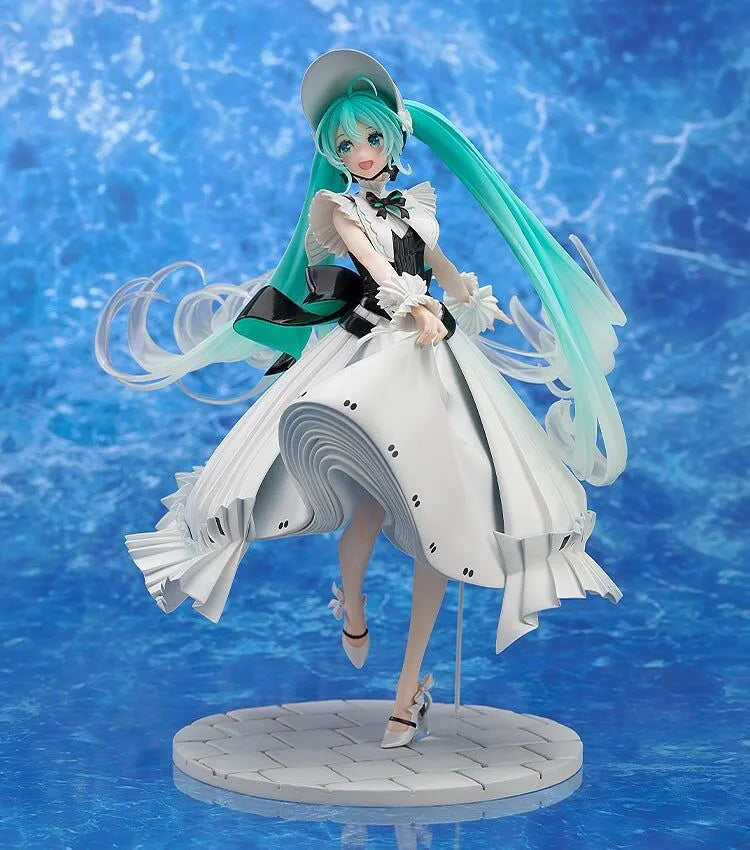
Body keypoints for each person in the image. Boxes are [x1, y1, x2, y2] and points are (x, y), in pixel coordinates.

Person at [96, 49, 627, 749]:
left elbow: (437, 264)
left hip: (439, 358)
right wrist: (417, 307)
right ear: (332, 154)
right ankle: (350, 603)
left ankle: (409, 692)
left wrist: (464, 298)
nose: (362, 154)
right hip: (378, 347)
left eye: (372, 138)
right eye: (346, 145)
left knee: (450, 519)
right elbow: (377, 268)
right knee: (365, 513)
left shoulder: (418, 205)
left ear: (395, 139)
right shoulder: (340, 209)